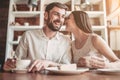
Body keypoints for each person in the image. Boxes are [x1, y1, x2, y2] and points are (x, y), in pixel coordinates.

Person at [3, 2, 71, 72]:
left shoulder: (66, 41)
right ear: (46, 15)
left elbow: (68, 67)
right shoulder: (28, 36)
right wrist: (9, 66)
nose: (60, 19)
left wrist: (49, 63)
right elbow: (18, 62)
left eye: (63, 16)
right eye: (56, 14)